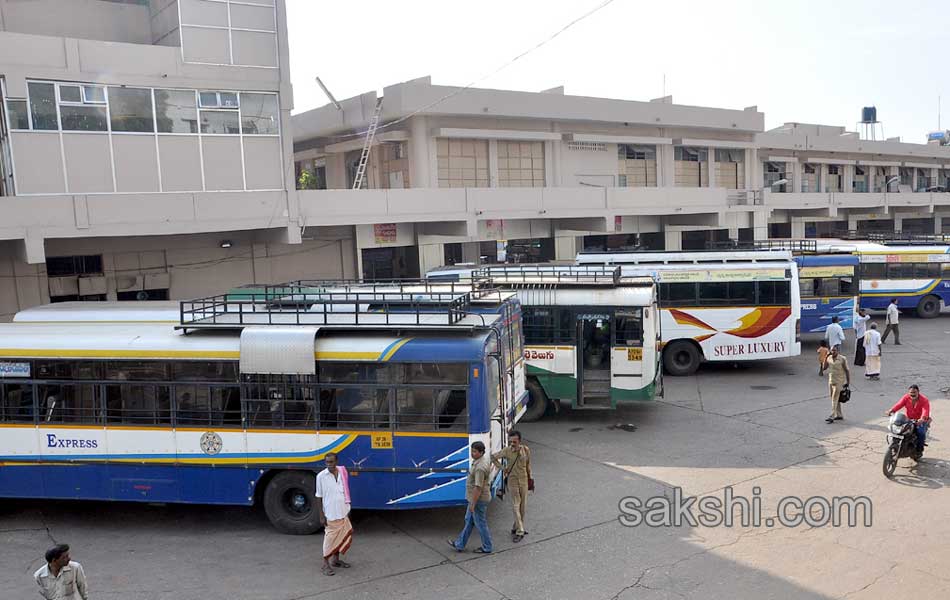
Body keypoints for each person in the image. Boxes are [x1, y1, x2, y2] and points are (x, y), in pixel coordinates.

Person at [448, 441, 493, 554]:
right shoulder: (479, 461)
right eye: (472, 451)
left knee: (480, 523)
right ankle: (460, 544)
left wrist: (473, 504)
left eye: (474, 451)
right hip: (475, 499)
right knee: (469, 521)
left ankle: (487, 547)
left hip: (478, 500)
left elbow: (478, 487)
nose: (472, 453)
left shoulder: (480, 468)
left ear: (481, 452)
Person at [492, 430, 533, 543]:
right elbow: (493, 457)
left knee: (523, 506)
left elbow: (528, 465)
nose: (512, 444)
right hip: (512, 480)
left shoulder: (526, 450)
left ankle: (516, 527)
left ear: (519, 441)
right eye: (510, 442)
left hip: (523, 480)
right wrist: (502, 468)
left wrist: (531, 479)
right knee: (516, 505)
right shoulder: (507, 451)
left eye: (514, 442)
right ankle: (520, 531)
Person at [315, 452, 352, 576]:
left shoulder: (342, 473)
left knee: (340, 536)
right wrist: (321, 515)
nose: (329, 464)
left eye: (331, 462)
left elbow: (345, 491)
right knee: (330, 538)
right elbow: (318, 496)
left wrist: (347, 508)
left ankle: (335, 560)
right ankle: (325, 564)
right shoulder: (321, 476)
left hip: (343, 511)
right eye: (327, 462)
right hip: (330, 513)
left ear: (336, 462)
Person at [886, 384, 931, 457]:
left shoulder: (924, 400)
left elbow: (925, 410)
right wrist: (891, 410)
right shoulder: (906, 397)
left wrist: (922, 419)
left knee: (921, 433)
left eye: (914, 393)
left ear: (918, 392)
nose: (912, 394)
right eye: (911, 393)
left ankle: (919, 450)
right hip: (909, 419)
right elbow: (899, 404)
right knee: (900, 430)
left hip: (920, 420)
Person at [824, 344, 850, 424]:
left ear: (838, 351)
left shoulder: (842, 359)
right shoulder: (829, 358)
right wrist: (825, 357)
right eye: (832, 350)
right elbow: (824, 368)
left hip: (839, 381)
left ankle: (832, 416)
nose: (833, 352)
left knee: (834, 398)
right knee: (834, 398)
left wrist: (848, 382)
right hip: (831, 380)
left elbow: (847, 370)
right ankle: (839, 415)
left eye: (834, 350)